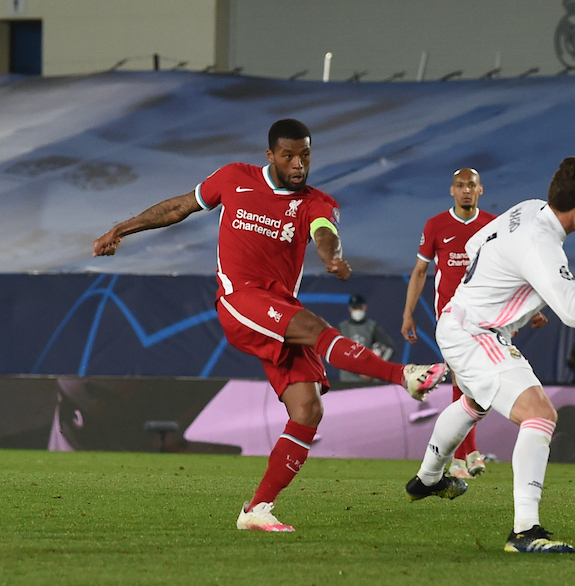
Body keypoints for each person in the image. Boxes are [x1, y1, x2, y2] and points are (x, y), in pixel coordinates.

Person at [92, 118, 447, 532]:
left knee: (308, 409)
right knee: (315, 329)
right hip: (240, 299)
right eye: (289, 156)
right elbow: (179, 207)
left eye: (305, 155)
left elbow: (324, 232)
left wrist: (330, 257)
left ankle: (256, 510)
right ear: (271, 156)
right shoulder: (233, 179)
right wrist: (121, 228)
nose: (298, 164)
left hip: (279, 308)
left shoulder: (316, 201)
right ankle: (403, 374)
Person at [403, 157, 575, 554]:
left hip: (462, 320)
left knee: (474, 401)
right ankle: (525, 531)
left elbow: (475, 246)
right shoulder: (542, 245)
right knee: (540, 414)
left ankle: (429, 477)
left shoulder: (528, 208)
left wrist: (518, 297)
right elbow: (573, 312)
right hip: (475, 332)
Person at [402, 169, 498, 479]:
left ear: (480, 189)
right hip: (450, 318)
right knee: (461, 379)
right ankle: (465, 456)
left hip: (483, 317)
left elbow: (507, 269)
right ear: (452, 191)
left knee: (477, 384)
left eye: (471, 185)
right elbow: (419, 271)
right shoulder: (436, 226)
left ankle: (463, 455)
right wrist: (408, 313)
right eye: (460, 186)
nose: (466, 190)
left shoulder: (492, 225)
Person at [336, 294, 397, 383]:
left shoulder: (372, 327)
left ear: (365, 307)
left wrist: (375, 368)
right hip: (348, 381)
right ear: (350, 309)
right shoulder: (342, 328)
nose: (357, 310)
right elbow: (336, 353)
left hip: (369, 381)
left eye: (359, 307)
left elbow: (390, 348)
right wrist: (359, 370)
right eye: (354, 307)